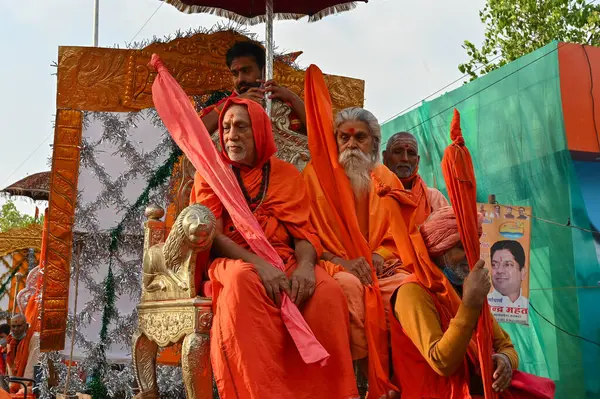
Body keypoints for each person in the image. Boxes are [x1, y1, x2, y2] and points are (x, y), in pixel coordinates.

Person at [190, 97, 358, 399]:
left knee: (327, 292)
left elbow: (303, 233)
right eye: (226, 128)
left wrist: (307, 268)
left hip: (287, 259)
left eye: (241, 127)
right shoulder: (211, 173)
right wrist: (260, 264)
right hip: (236, 259)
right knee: (242, 284)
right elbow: (212, 234)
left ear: (260, 133)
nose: (231, 135)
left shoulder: (286, 174)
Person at [303, 107, 407, 394]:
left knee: (410, 287)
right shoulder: (315, 176)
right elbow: (304, 234)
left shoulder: (385, 177)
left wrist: (378, 256)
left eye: (359, 137)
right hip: (332, 264)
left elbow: (400, 235)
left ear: (374, 142)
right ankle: (365, 382)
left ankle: (408, 376)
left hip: (380, 267)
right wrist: (340, 261)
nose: (350, 145)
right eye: (343, 137)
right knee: (349, 287)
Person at [390, 207, 519, 397]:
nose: (471, 256)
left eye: (474, 247)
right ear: (439, 249)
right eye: (461, 247)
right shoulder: (412, 291)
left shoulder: (462, 289)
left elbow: (506, 346)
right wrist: (469, 305)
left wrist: (505, 361)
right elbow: (442, 362)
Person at [199, 41, 306, 134]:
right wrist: (231, 104)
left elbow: (319, 133)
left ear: (264, 71)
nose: (240, 79)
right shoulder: (223, 106)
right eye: (235, 74)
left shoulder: (286, 103)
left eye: (246, 71)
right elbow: (194, 135)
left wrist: (293, 98)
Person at [383, 131, 448, 224]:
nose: (405, 158)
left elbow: (447, 234)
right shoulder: (373, 196)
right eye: (397, 152)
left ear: (417, 160)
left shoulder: (434, 198)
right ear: (385, 157)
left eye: (411, 153)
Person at [488, 240, 529, 308]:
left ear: (522, 272)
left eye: (507, 264)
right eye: (494, 264)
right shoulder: (482, 305)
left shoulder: (530, 308)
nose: (499, 270)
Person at [6, 314, 39, 394]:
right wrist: (12, 385)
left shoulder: (34, 338)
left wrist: (22, 386)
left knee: (21, 393)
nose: (16, 329)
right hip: (16, 383)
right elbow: (10, 365)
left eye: (19, 326)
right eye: (13, 326)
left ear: (26, 326)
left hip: (32, 382)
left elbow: (32, 364)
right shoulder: (10, 340)